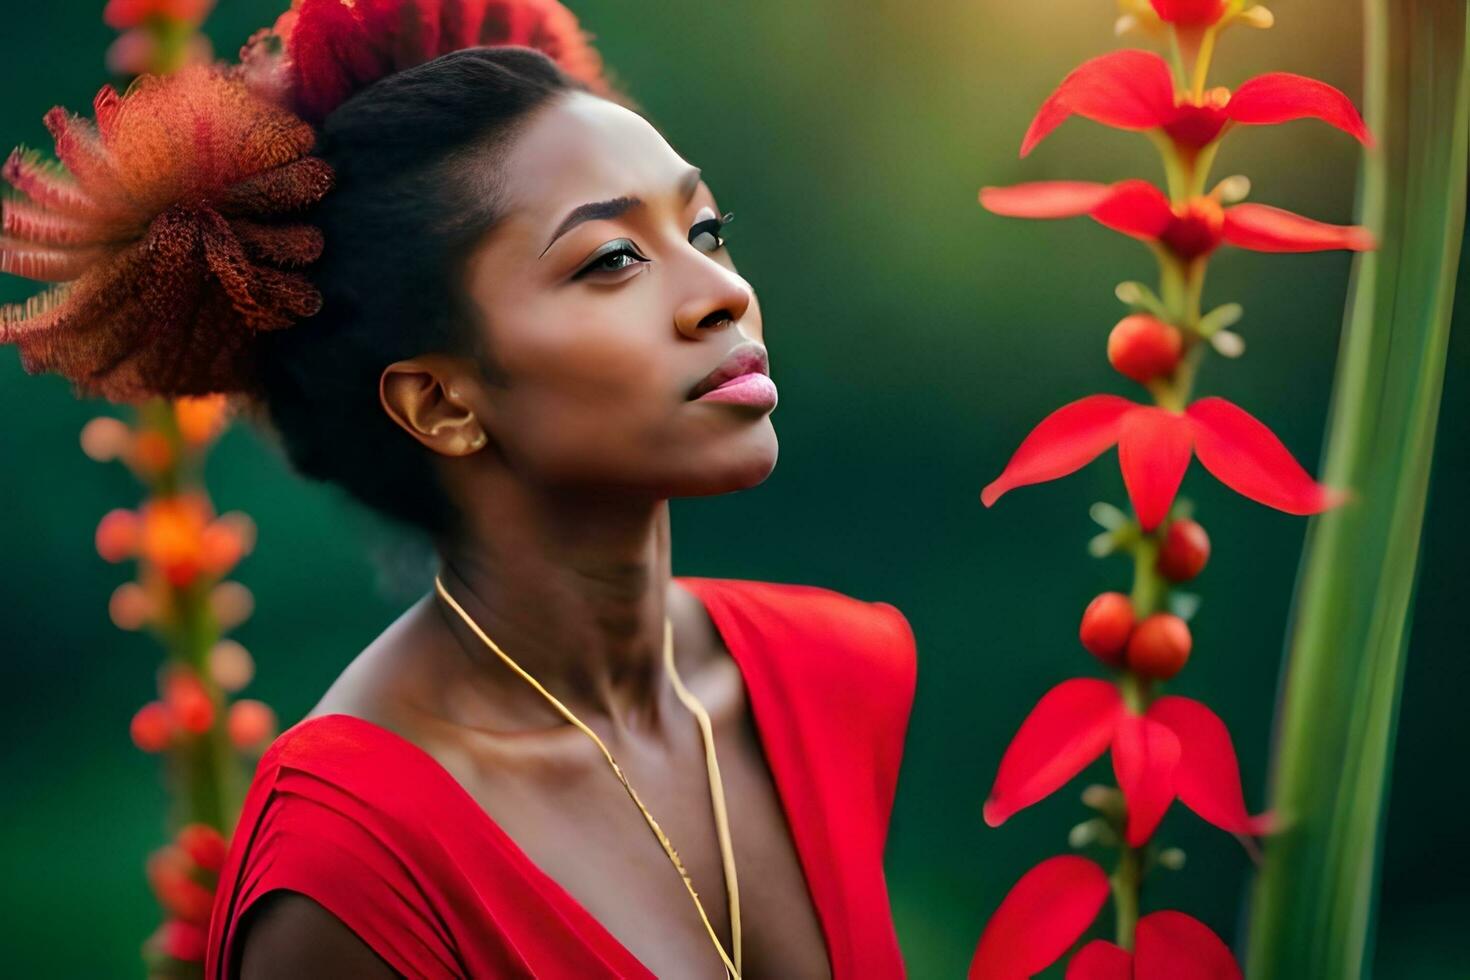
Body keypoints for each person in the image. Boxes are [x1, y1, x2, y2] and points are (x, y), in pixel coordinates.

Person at [0, 2, 918, 977]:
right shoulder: (351, 868)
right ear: (441, 401)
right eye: (612, 259)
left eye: (705, 226)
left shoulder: (839, 674)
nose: (720, 291)